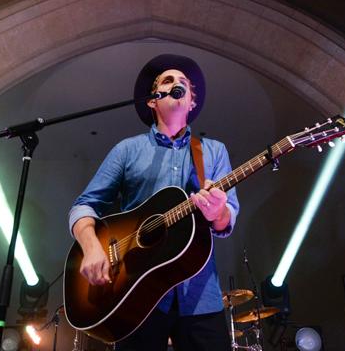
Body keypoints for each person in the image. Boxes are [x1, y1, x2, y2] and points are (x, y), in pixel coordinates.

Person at [68, 54, 240, 351]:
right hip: (135, 295)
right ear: (152, 100)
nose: (177, 84)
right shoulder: (127, 150)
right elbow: (83, 206)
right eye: (167, 81)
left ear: (191, 102)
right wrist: (92, 246)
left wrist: (217, 211)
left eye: (183, 83)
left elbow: (226, 220)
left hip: (199, 297)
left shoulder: (213, 151)